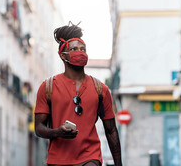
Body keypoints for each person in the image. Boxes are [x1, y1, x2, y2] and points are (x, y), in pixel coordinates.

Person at [35, 23, 123, 166]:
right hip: (58, 160)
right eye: (74, 49)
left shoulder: (101, 89)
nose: (80, 52)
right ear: (63, 55)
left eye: (83, 49)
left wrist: (119, 164)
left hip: (90, 157)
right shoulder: (47, 87)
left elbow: (111, 129)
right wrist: (57, 132)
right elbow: (39, 128)